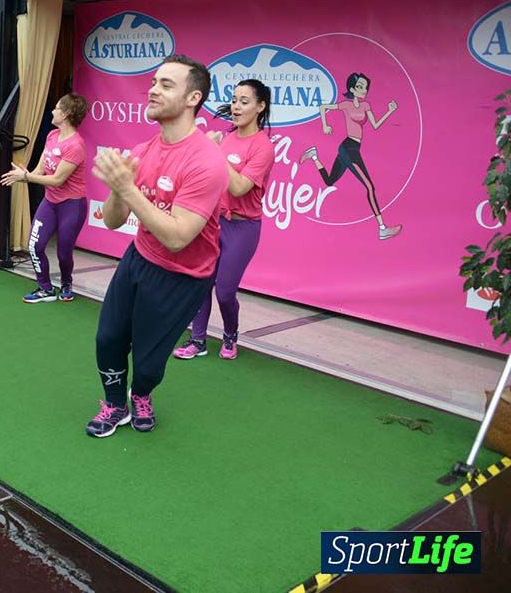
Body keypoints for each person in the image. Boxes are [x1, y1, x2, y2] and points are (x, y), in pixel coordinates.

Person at [85, 54, 228, 438]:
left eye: (166, 84)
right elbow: (114, 219)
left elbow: (179, 237)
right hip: (139, 258)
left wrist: (128, 188)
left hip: (183, 275)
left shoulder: (207, 161)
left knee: (149, 361)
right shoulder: (144, 151)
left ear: (193, 98)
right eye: (153, 82)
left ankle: (142, 394)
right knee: (108, 337)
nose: (153, 89)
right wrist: (120, 189)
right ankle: (115, 405)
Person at [174, 79, 274, 361]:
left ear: (260, 106)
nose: (236, 106)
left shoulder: (263, 146)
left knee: (226, 291)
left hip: (243, 227)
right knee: (200, 283)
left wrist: (214, 153)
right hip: (214, 222)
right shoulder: (225, 137)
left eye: (244, 101)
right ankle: (198, 339)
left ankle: (231, 335)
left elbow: (240, 186)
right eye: (234, 100)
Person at [0, 93, 88, 303]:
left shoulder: (76, 146)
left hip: (72, 206)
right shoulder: (51, 136)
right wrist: (24, 176)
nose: (52, 110)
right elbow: (40, 169)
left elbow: (57, 179)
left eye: (57, 108)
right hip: (50, 203)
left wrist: (27, 177)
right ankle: (45, 288)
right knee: (35, 246)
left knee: (64, 252)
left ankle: (66, 282)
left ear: (66, 114)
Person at [297, 72, 401, 240]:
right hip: (348, 148)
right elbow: (323, 108)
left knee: (329, 181)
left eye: (365, 87)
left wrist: (389, 111)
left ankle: (314, 156)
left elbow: (375, 125)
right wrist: (325, 125)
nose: (364, 90)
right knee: (369, 187)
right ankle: (382, 228)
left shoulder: (366, 106)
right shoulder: (346, 105)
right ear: (352, 89)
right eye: (360, 87)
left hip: (353, 148)